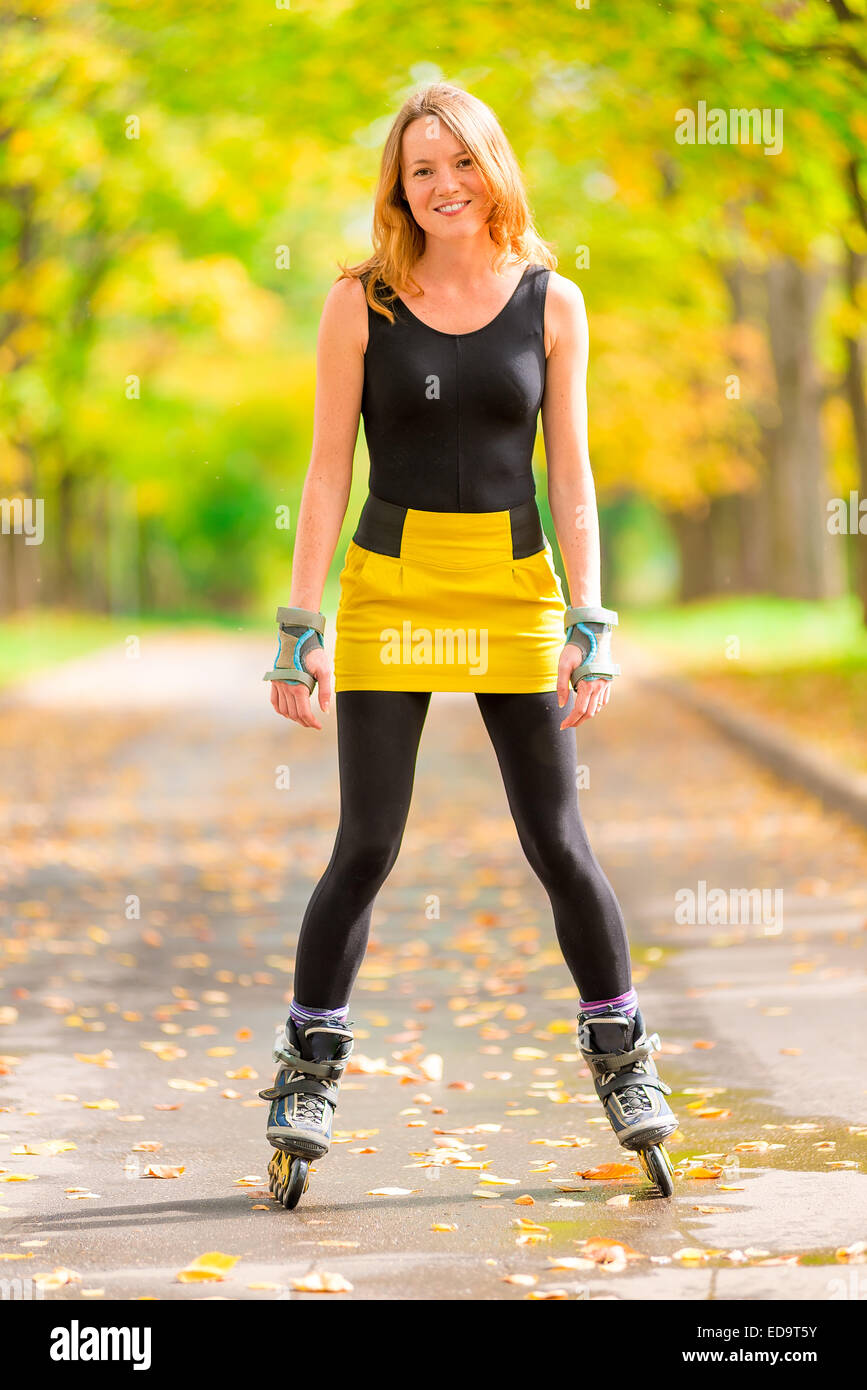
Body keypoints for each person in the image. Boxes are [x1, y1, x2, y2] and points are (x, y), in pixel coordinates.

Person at [259, 82, 678, 1205]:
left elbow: (573, 472)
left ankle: (625, 1059)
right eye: (419, 170)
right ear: (399, 188)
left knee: (559, 843)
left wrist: (589, 620)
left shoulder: (553, 300)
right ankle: (308, 1071)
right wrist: (304, 629)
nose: (442, 186)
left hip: (511, 587)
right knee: (367, 846)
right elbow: (324, 472)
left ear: (493, 166)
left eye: (459, 163)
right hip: (392, 587)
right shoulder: (362, 302)